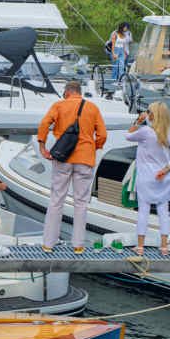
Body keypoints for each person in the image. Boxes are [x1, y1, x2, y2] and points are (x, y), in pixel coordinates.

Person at [38, 80, 107, 253]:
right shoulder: (92, 108)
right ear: (79, 92)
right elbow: (102, 134)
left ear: (67, 92)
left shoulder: (59, 105)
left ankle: (48, 244)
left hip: (63, 157)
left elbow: (45, 124)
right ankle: (78, 245)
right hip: (85, 159)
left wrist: (42, 146)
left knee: (56, 200)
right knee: (81, 203)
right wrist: (94, 147)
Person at [125, 102, 170, 255]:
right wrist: (165, 170)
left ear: (153, 115)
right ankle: (164, 247)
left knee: (143, 211)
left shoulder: (145, 131)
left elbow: (128, 136)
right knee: (163, 211)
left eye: (149, 111)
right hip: (165, 177)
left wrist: (137, 122)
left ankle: (140, 247)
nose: (147, 113)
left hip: (146, 177)